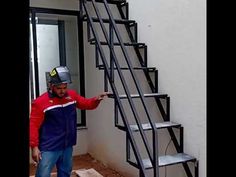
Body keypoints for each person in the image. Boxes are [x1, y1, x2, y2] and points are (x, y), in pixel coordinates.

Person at [29, 66, 108, 177]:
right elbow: (33, 125)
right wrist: (34, 147)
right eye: (59, 88)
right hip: (49, 147)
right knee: (43, 174)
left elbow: (85, 103)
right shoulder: (40, 102)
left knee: (65, 173)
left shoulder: (72, 96)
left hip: (67, 145)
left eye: (65, 87)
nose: (63, 91)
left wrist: (95, 99)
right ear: (52, 86)